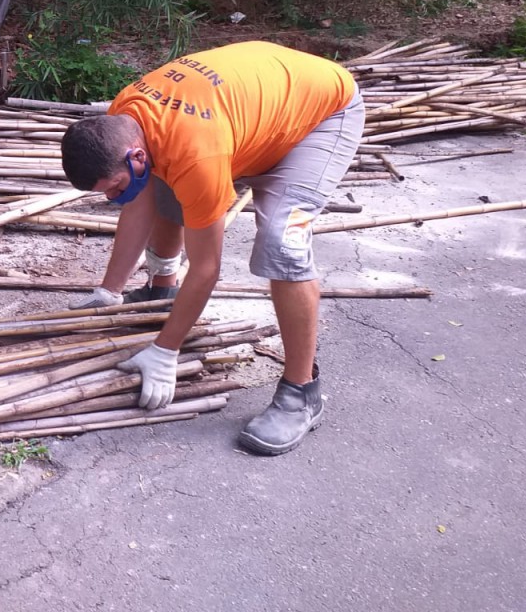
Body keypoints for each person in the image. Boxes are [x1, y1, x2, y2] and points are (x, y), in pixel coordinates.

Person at [59, 41, 364, 455]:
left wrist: (166, 351)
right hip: (258, 109)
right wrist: (108, 293)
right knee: (160, 181)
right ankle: (163, 289)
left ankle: (301, 393)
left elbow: (206, 269)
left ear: (132, 155)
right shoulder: (126, 117)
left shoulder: (195, 152)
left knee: (281, 241)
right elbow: (140, 200)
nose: (114, 197)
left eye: (113, 188)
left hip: (319, 116)